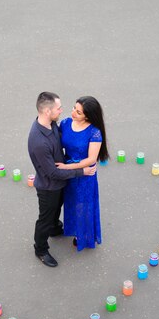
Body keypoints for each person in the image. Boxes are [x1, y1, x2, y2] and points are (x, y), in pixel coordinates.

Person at [27, 92, 97, 267]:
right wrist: (82, 171)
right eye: (58, 108)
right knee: (45, 218)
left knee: (56, 210)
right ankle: (40, 249)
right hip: (49, 186)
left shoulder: (52, 124)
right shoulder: (39, 142)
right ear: (48, 111)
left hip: (60, 184)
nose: (62, 111)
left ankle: (55, 228)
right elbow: (53, 173)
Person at [56, 96, 109, 251]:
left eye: (78, 112)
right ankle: (72, 228)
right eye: (74, 108)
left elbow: (91, 159)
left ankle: (83, 235)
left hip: (85, 175)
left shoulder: (94, 132)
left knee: (84, 204)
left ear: (87, 116)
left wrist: (66, 167)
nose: (73, 113)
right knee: (71, 201)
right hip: (70, 171)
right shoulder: (65, 123)